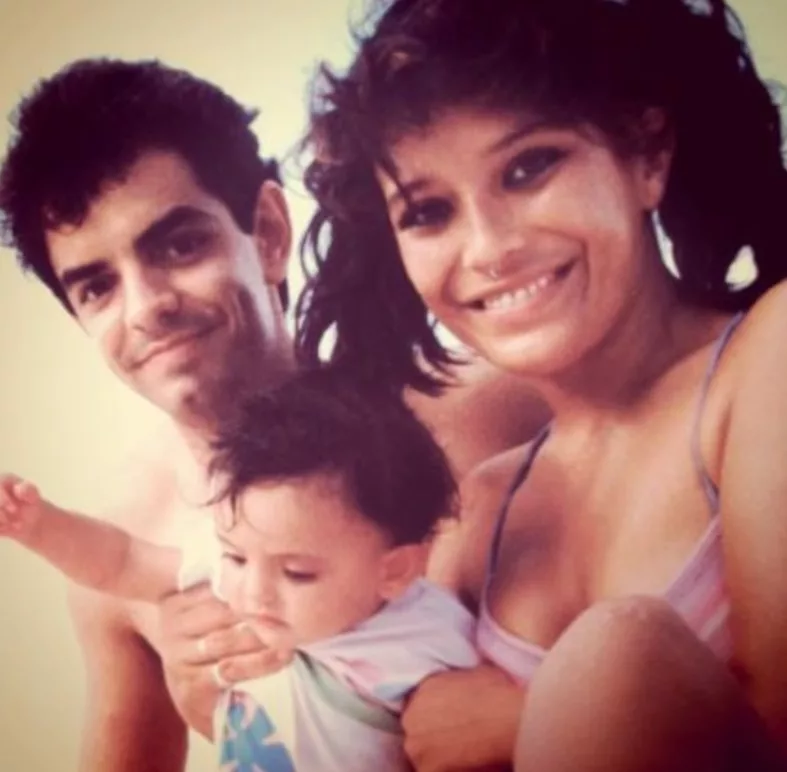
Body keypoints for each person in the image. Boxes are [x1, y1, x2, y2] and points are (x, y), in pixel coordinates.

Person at [0, 57, 549, 771]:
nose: (146, 308)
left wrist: (533, 717)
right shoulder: (118, 557)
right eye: (97, 287)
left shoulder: (490, 413)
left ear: (267, 233)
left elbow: (662, 660)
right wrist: (197, 703)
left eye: (180, 244)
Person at [296, 0, 787, 768]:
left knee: (617, 655)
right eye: (428, 212)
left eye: (528, 168)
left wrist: (529, 719)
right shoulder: (477, 515)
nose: (489, 248)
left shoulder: (767, 361)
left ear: (646, 155)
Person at [0, 371, 479, 771]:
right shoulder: (249, 562)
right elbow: (122, 561)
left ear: (395, 571)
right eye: (234, 557)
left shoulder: (424, 645)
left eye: (297, 573)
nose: (253, 593)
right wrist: (39, 525)